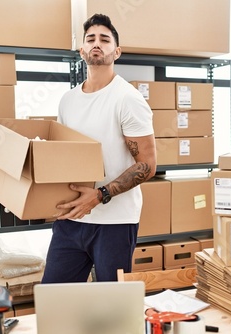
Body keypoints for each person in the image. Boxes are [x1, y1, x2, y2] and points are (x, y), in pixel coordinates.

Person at [41, 13, 157, 283]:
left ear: (116, 51)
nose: (97, 43)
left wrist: (100, 194)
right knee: (55, 298)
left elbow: (148, 166)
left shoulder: (127, 99)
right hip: (71, 219)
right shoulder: (68, 100)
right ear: (81, 50)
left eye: (105, 39)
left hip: (114, 223)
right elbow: (64, 155)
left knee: (113, 308)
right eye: (90, 39)